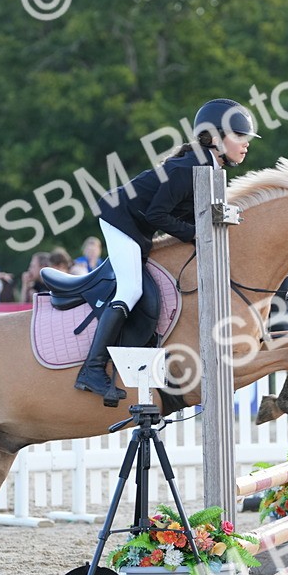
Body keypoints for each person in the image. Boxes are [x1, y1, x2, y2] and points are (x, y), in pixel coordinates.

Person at [75, 97, 259, 404]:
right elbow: (157, 215)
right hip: (120, 219)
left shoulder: (208, 167)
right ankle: (91, 370)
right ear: (214, 138)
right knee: (131, 289)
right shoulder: (188, 167)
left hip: (138, 225)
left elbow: (186, 213)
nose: (246, 143)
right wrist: (198, 234)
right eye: (239, 136)